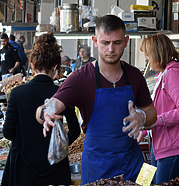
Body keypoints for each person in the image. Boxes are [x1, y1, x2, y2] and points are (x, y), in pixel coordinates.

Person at [36, 15, 157, 185]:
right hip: (97, 167)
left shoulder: (135, 75)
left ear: (126, 41)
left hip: (132, 164)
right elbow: (47, 107)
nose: (111, 49)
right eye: (105, 42)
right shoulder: (81, 78)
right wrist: (45, 113)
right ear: (94, 41)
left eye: (117, 42)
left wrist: (143, 117)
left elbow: (152, 112)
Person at [1, 32, 81, 185]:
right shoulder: (62, 94)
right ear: (56, 67)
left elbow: (8, 132)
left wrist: (26, 141)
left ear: (32, 65)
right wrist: (59, 146)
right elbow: (75, 131)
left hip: (23, 169)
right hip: (56, 169)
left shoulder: (17, 93)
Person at [138, 33, 179, 184]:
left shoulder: (173, 74)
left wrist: (156, 121)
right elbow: (160, 108)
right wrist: (144, 130)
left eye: (147, 54)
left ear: (157, 54)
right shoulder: (161, 75)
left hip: (174, 147)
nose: (146, 59)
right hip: (160, 144)